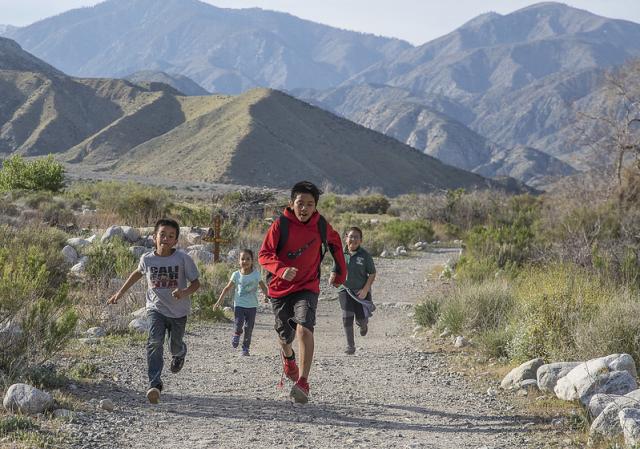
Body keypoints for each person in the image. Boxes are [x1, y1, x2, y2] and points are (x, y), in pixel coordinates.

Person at [259, 181, 346, 404]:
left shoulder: (321, 225)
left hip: (307, 286)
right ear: (291, 203)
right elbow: (264, 254)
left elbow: (335, 244)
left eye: (310, 204)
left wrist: (340, 272)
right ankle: (288, 358)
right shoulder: (280, 225)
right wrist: (281, 270)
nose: (305, 208)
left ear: (315, 206)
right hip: (280, 289)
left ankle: (303, 382)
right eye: (300, 203)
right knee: (284, 337)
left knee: (304, 328)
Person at [107, 218, 200, 404]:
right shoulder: (147, 259)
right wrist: (120, 293)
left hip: (178, 311)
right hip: (155, 308)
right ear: (154, 237)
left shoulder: (182, 258)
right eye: (162, 235)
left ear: (175, 241)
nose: (165, 239)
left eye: (171, 236)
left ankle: (180, 352)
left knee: (174, 345)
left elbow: (196, 283)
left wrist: (184, 292)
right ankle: (154, 385)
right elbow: (137, 273)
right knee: (155, 342)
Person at [331, 227, 376, 355]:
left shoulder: (365, 255)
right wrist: (332, 276)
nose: (353, 239)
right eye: (351, 236)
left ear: (361, 240)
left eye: (356, 237)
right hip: (344, 289)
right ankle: (350, 346)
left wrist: (365, 290)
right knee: (347, 316)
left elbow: (372, 273)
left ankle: (363, 325)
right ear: (346, 238)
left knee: (361, 319)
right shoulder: (340, 254)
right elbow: (335, 269)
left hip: (361, 291)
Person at [214, 249, 268, 356]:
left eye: (248, 259)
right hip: (239, 305)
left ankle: (245, 348)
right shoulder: (236, 275)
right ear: (239, 261)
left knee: (249, 328)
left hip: (252, 306)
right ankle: (237, 333)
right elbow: (227, 288)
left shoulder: (256, 275)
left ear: (252, 261)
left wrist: (267, 296)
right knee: (239, 324)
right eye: (242, 259)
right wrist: (218, 302)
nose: (245, 261)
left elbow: (263, 287)